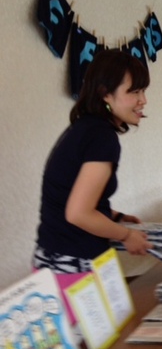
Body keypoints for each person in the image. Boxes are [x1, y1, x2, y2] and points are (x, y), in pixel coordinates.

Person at [33, 49, 153, 278]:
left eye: (143, 91)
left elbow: (69, 197)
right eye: (134, 91)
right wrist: (127, 235)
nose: (143, 100)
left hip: (53, 257)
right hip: (73, 263)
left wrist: (115, 216)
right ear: (105, 94)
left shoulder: (85, 128)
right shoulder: (101, 138)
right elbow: (78, 213)